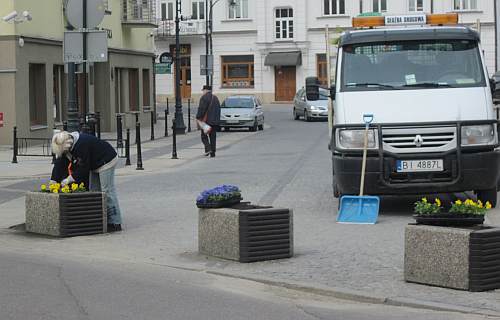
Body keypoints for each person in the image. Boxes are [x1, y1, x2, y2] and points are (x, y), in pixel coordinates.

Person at [51, 131, 123, 232]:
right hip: (94, 162)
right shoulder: (67, 144)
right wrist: (53, 180)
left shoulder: (81, 145)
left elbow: (83, 169)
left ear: (66, 145)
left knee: (107, 191)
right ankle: (100, 220)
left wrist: (68, 180)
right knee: (94, 191)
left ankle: (115, 222)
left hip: (106, 160)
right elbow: (60, 162)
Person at [196, 85, 221, 158]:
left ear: (206, 90)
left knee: (204, 136)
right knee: (213, 136)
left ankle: (208, 148)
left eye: (203, 90)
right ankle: (213, 153)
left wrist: (198, 117)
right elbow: (218, 110)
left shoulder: (204, 98)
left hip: (206, 121)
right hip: (215, 121)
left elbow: (201, 109)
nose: (202, 92)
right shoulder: (215, 98)